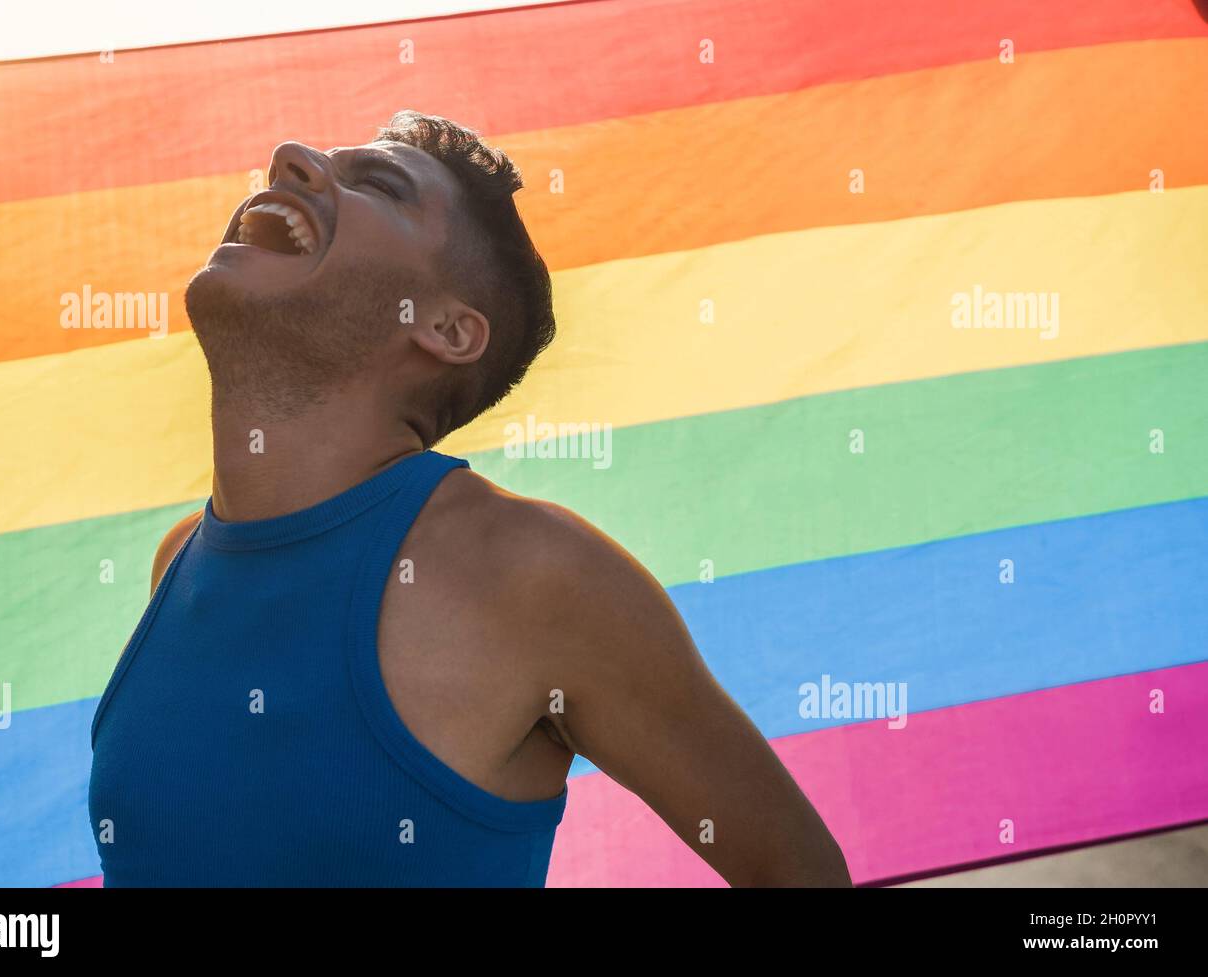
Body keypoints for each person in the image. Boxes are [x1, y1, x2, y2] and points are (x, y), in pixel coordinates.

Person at [88, 110, 851, 887]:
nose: (290, 158)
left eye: (378, 184)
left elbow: (799, 873)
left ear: (448, 330)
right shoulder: (178, 561)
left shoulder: (532, 574)